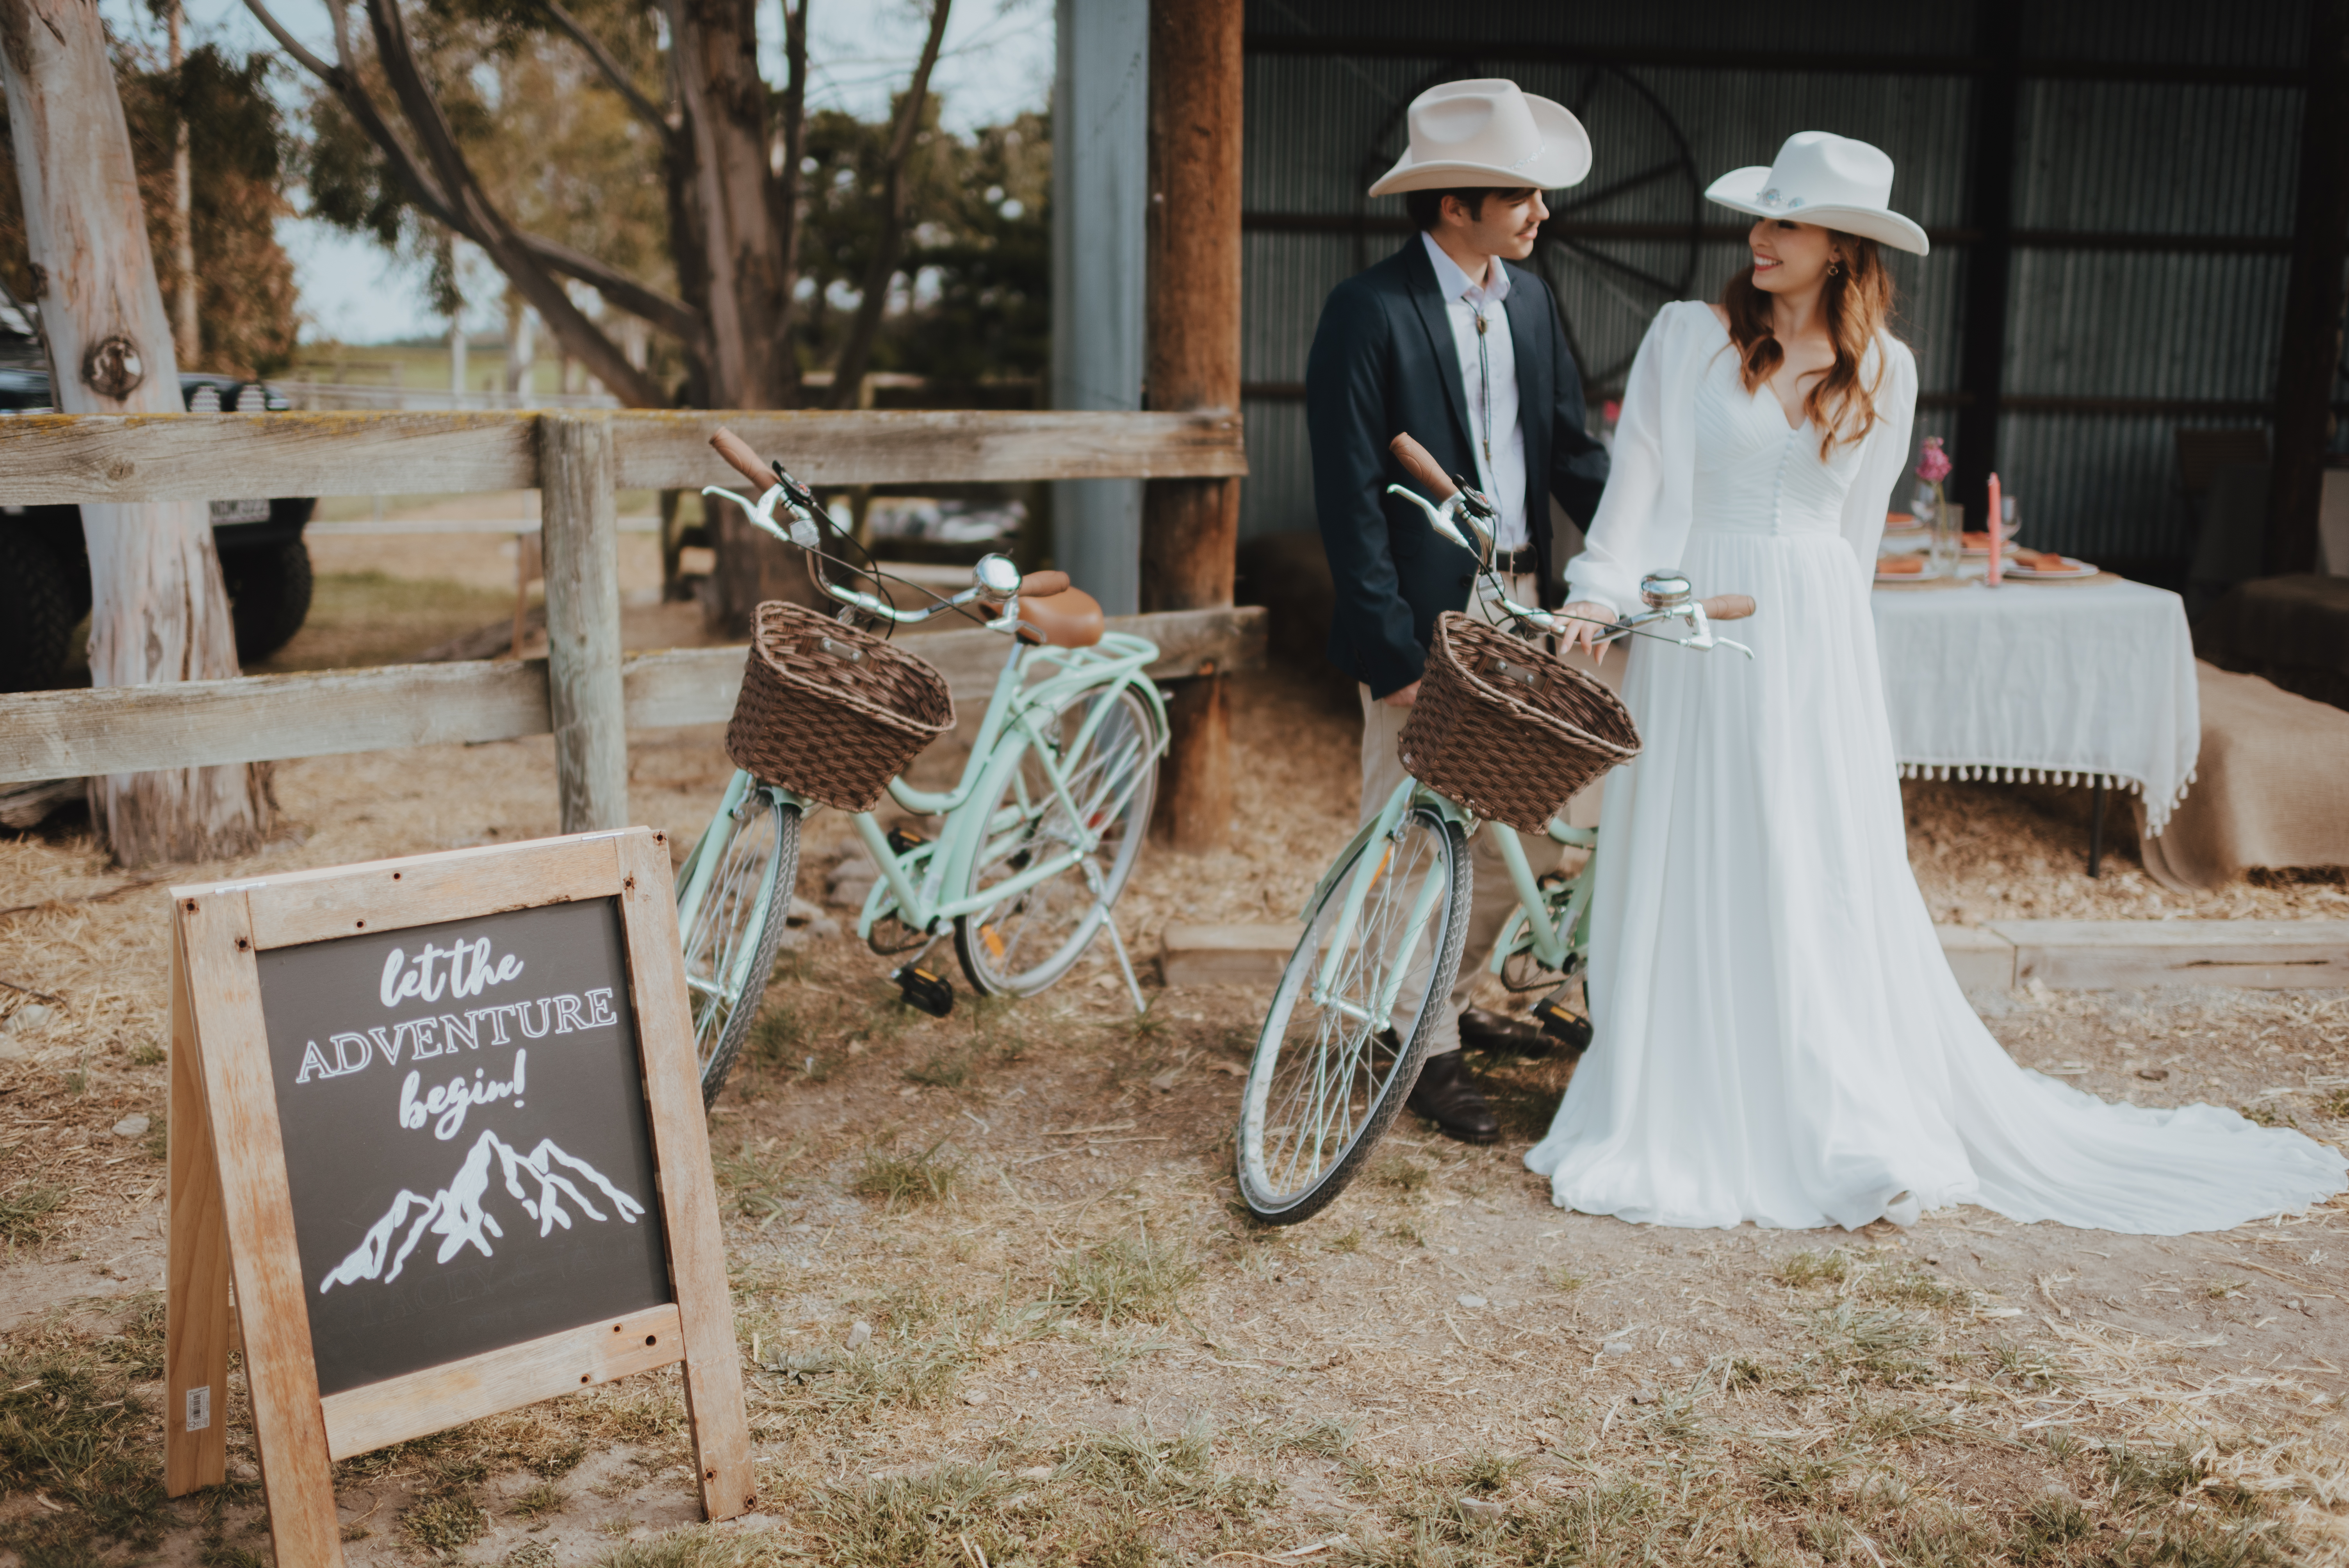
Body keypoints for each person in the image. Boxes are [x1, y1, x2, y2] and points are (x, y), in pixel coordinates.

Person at [1527, 131, 2347, 1231]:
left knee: (1807, 859)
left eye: (1787, 223)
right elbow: (1640, 487)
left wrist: (1844, 694)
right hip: (1700, 624)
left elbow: (1854, 549)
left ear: (1844, 249)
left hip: (1813, 638)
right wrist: (1595, 590)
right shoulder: (1689, 336)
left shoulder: (1890, 372)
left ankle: (1826, 1098)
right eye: (1759, 220)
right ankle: (1682, 1087)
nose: (1760, 240)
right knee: (1697, 842)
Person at [1306, 79, 1612, 1144]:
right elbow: (1347, 496)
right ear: (1453, 207)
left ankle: (1430, 999)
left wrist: (1638, 558)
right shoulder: (1369, 312)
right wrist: (1391, 649)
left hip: (1525, 599)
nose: (1542, 214)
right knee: (1416, 830)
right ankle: (1419, 1048)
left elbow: (1571, 452)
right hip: (1422, 620)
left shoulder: (1529, 299)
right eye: (1521, 195)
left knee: (1514, 826)